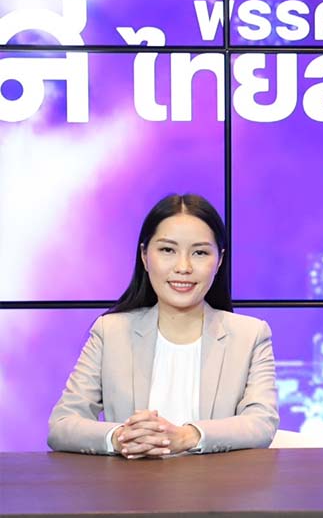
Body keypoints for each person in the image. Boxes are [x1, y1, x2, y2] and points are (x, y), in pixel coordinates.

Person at [48, 194, 279, 457]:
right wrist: (122, 438)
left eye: (200, 252)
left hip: (219, 483)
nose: (183, 267)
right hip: (130, 483)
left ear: (220, 260)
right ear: (145, 256)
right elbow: (62, 424)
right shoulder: (110, 332)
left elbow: (261, 423)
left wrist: (187, 436)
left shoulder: (251, 335)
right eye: (168, 250)